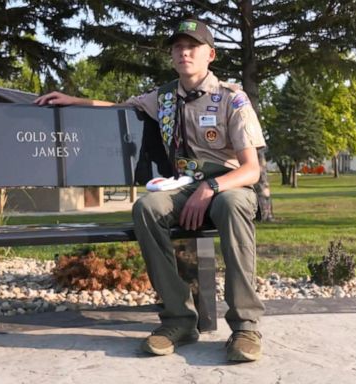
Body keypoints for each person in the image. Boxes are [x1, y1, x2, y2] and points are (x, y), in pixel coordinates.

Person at [35, 19, 266, 362]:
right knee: (148, 208)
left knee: (232, 206)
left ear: (210, 54)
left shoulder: (232, 99)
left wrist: (210, 188)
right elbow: (119, 108)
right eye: (177, 47)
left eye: (193, 46)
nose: (184, 52)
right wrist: (73, 101)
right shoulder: (165, 97)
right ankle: (179, 320)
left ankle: (245, 327)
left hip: (228, 184)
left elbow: (251, 169)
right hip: (185, 186)